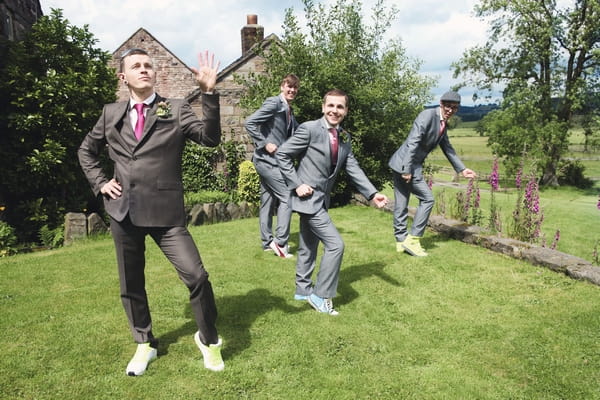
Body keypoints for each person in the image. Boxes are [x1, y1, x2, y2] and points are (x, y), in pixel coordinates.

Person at [78, 48, 225, 375]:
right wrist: (101, 183)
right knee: (131, 284)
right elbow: (86, 151)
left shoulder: (174, 109)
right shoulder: (110, 113)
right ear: (123, 76)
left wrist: (209, 93)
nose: (143, 70)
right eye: (136, 66)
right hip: (123, 212)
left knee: (196, 276)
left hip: (166, 214)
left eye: (148, 65)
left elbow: (210, 138)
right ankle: (144, 343)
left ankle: (208, 337)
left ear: (154, 73)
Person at [276, 89, 388, 316]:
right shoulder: (308, 129)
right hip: (308, 200)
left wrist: (372, 193)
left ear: (345, 111)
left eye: (340, 107)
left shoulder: (344, 137)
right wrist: (297, 183)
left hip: (321, 200)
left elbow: (352, 168)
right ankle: (320, 295)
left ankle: (303, 290)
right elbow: (282, 155)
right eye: (331, 106)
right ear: (323, 107)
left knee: (308, 245)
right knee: (336, 245)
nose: (334, 111)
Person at [388, 90, 477, 257]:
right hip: (406, 164)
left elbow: (448, 149)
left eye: (455, 108)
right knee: (427, 198)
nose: (451, 110)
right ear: (441, 103)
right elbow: (413, 142)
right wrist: (407, 169)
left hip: (401, 163)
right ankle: (412, 240)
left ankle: (400, 242)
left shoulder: (442, 123)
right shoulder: (427, 116)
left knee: (401, 202)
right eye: (448, 106)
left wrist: (462, 169)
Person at [245, 74, 300, 258]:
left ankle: (267, 242)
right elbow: (250, 122)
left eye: (294, 88)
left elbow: (299, 130)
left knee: (267, 201)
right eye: (288, 86)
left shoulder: (288, 109)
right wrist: (264, 143)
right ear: (282, 86)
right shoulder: (274, 103)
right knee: (287, 197)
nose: (291, 90)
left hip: (270, 162)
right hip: (267, 161)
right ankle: (281, 243)